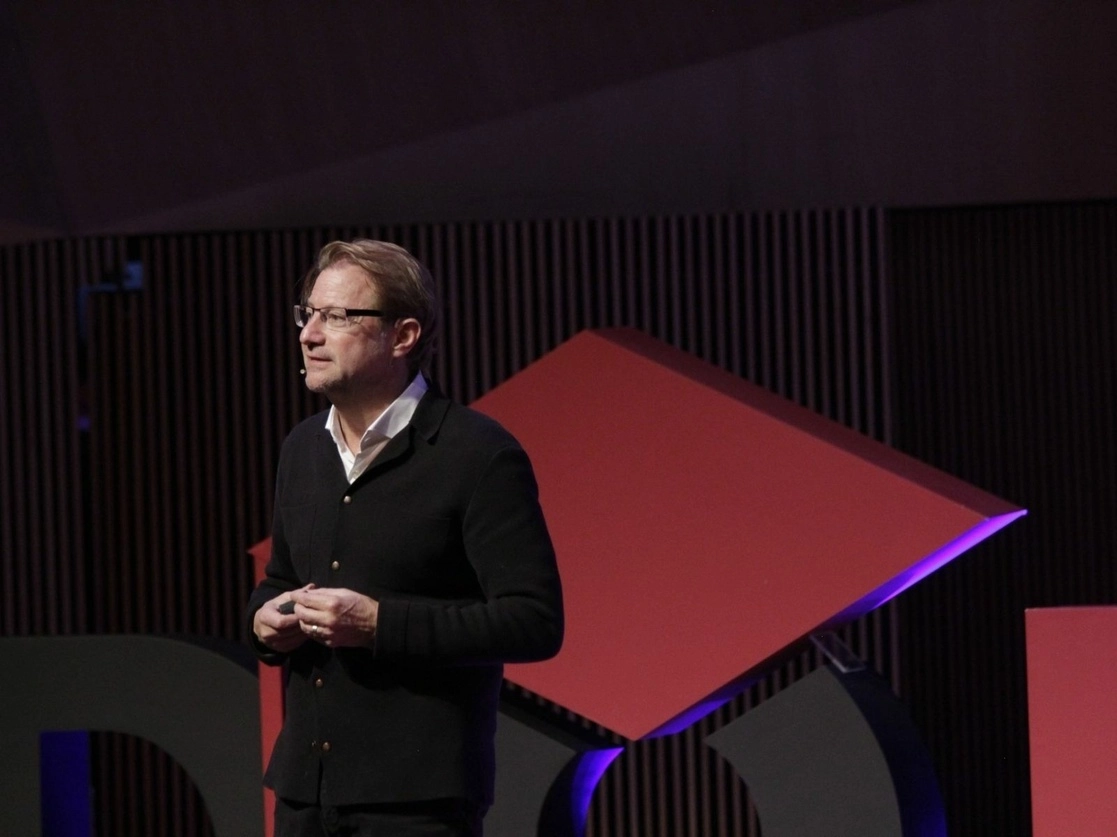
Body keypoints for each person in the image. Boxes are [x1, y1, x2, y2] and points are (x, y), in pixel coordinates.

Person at [246, 239, 564, 836]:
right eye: (307, 314)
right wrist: (265, 621)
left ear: (403, 335)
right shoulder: (303, 448)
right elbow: (280, 579)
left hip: (416, 802)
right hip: (304, 796)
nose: (309, 334)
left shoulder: (477, 454)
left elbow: (534, 620)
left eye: (337, 317)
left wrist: (378, 625)